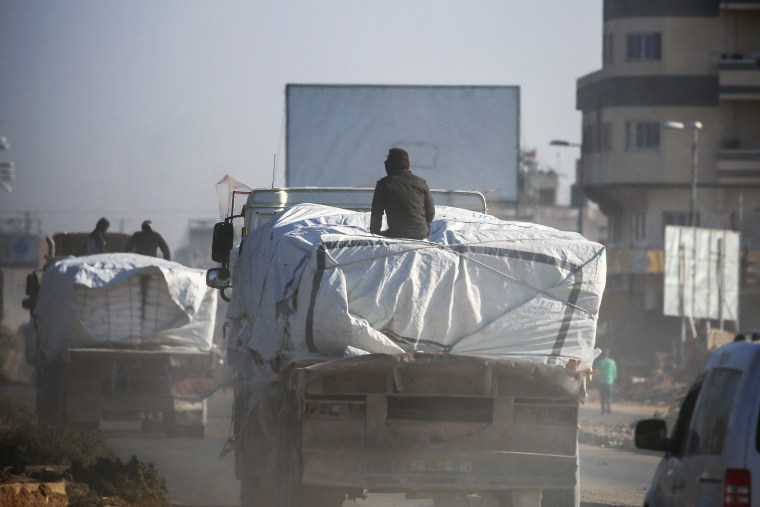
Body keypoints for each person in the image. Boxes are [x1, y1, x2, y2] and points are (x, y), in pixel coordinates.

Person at [370, 148, 435, 240]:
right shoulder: (421, 182)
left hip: (397, 234)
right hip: (422, 233)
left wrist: (374, 235)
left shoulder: (384, 184)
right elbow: (431, 213)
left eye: (387, 160)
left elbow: (376, 213)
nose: (385, 163)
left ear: (392, 164)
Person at [595, 349, 618, 415]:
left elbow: (596, 372)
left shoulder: (600, 362)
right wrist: (614, 379)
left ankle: (603, 410)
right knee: (609, 396)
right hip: (609, 382)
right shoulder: (612, 362)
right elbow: (614, 372)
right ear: (608, 354)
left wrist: (595, 380)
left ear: (603, 355)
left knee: (602, 397)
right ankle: (609, 408)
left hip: (601, 382)